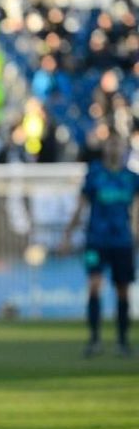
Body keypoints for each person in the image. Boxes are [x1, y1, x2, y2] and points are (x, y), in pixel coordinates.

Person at [63, 132, 139, 357]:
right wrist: (68, 233)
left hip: (122, 241)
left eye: (118, 145)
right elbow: (81, 205)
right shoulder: (94, 174)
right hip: (96, 240)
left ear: (124, 149)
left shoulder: (131, 178)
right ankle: (95, 339)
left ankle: (123, 341)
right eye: (111, 144)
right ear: (105, 148)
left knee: (123, 290)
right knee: (94, 285)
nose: (114, 149)